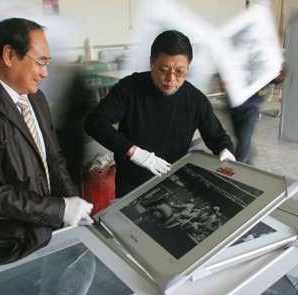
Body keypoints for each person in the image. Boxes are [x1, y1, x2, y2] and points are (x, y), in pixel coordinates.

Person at [0, 18, 93, 269]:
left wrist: (70, 203)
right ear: (9, 55)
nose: (45, 72)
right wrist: (59, 209)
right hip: (3, 247)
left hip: (41, 229)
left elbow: (54, 158)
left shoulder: (34, 97)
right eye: (40, 62)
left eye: (48, 63)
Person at [84, 30, 235, 198]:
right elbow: (94, 122)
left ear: (188, 67)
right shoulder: (130, 88)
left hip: (172, 182)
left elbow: (218, 136)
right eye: (163, 70)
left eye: (179, 72)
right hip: (131, 183)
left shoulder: (195, 100)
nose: (171, 79)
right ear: (151, 63)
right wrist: (134, 152)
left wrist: (225, 150)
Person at [224, 69, 286, 164]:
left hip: (251, 106)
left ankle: (237, 167)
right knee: (240, 136)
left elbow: (269, 73)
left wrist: (278, 78)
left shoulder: (259, 58)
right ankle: (250, 153)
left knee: (243, 140)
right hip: (234, 104)